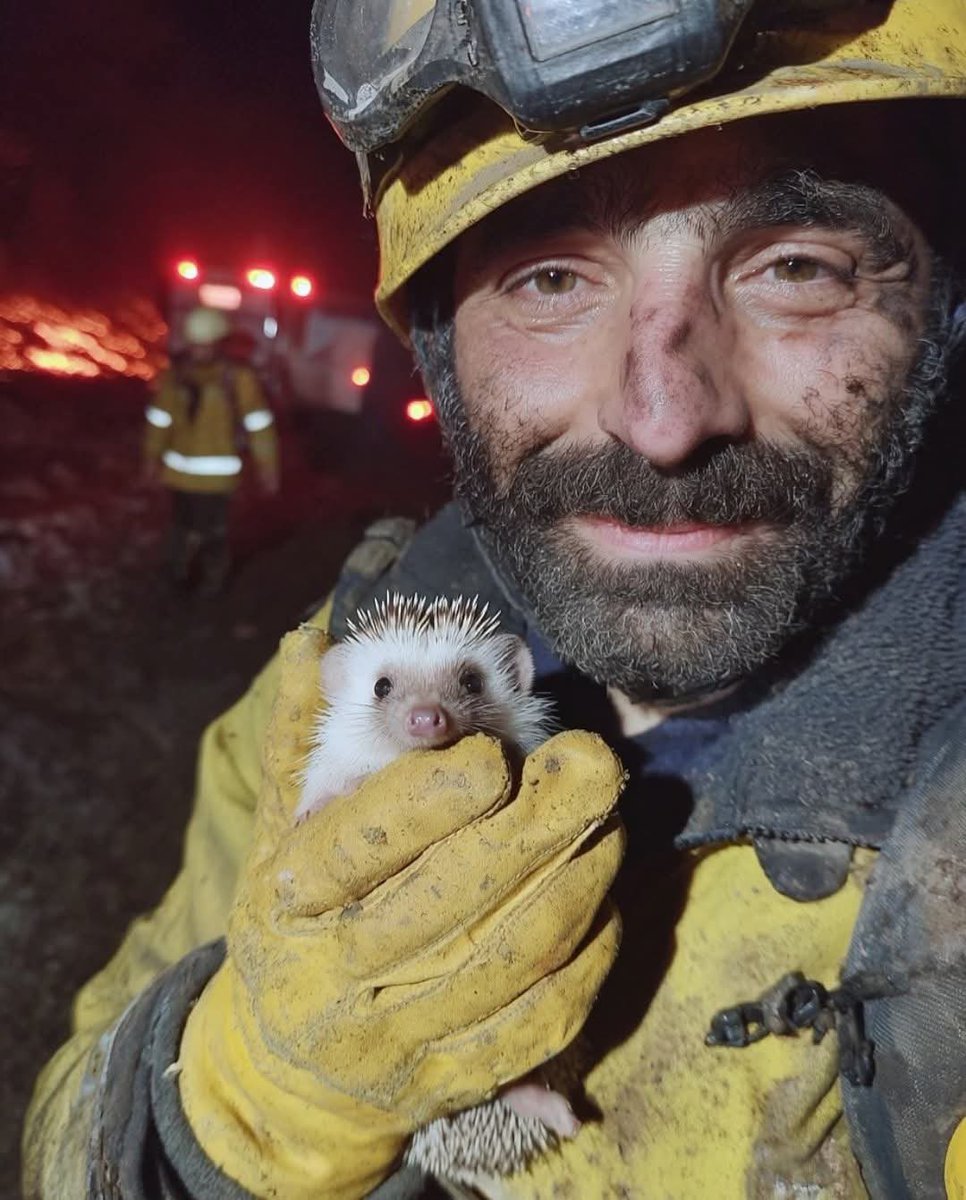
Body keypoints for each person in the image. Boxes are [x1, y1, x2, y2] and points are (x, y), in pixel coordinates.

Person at [23, 3, 966, 1198]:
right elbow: (60, 1134)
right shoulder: (331, 665)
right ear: (438, 350)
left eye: (798, 268)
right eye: (552, 276)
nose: (664, 418)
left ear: (943, 310)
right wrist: (218, 1120)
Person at [143, 305, 280, 595]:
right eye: (195, 345)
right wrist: (151, 458)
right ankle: (176, 582)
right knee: (181, 530)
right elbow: (159, 421)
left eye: (206, 346)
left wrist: (268, 468)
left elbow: (259, 427)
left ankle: (210, 587)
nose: (199, 352)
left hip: (218, 481)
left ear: (220, 344)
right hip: (180, 477)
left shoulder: (238, 379)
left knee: (214, 535)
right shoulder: (175, 377)